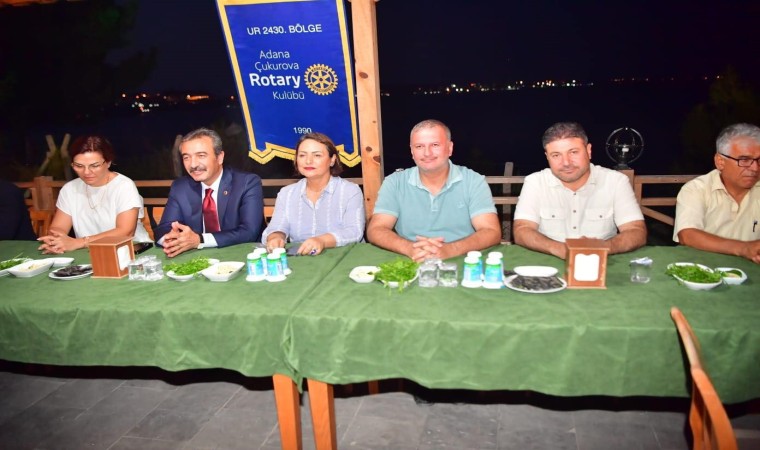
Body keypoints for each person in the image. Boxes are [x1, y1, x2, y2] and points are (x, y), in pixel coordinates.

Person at [366, 119, 501, 262]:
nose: (427, 153)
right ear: (412, 151)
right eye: (419, 146)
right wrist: (410, 248)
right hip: (410, 258)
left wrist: (451, 249)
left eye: (435, 145)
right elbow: (377, 229)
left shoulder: (473, 181)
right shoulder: (395, 182)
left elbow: (491, 231)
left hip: (464, 259)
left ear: (450, 148)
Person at [513, 122, 646, 259]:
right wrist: (559, 249)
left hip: (604, 261)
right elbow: (522, 230)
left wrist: (601, 248)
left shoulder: (616, 181)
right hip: (548, 260)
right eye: (556, 155)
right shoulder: (535, 182)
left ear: (589, 150)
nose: (566, 162)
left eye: (573, 152)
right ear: (547, 156)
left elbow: (636, 231)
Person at [155, 127, 263, 257]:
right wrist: (172, 239)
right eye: (186, 157)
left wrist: (199, 240)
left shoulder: (246, 183)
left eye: (201, 156)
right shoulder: (180, 187)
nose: (193, 165)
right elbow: (163, 228)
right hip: (199, 259)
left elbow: (249, 232)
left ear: (220, 157)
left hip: (244, 256)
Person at [37, 135, 151, 254]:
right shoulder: (69, 189)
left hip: (132, 250)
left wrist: (80, 242)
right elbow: (58, 227)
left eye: (94, 165)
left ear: (108, 162)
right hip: (88, 251)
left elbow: (125, 232)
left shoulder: (124, 186)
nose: (86, 172)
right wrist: (56, 240)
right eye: (79, 166)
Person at [262, 132, 365, 255]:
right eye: (302, 155)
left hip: (344, 257)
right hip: (302, 258)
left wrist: (322, 241)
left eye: (317, 155)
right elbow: (276, 227)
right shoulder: (287, 194)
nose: (308, 161)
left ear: (332, 160)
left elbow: (354, 232)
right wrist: (276, 237)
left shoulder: (350, 191)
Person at [673, 123, 760, 263]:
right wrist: (744, 248)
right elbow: (688, 235)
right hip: (702, 267)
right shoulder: (697, 189)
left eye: (759, 160)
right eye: (744, 160)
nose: (755, 168)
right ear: (720, 162)